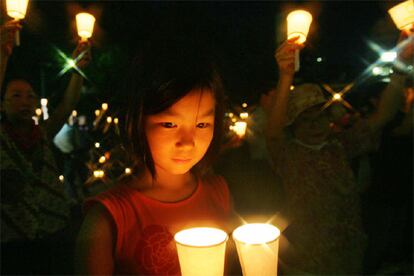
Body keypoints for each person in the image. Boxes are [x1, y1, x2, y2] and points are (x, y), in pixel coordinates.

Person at [75, 41, 235, 275]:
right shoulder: (109, 218)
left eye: (202, 124)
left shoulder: (219, 193)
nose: (188, 141)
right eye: (169, 124)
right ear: (136, 122)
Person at [265, 33, 411, 275]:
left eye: (319, 116)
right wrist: (285, 76)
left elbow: (382, 116)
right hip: (309, 257)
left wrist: (400, 65)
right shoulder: (289, 155)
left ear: (329, 119)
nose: (314, 126)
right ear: (294, 125)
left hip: (349, 252)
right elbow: (272, 136)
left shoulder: (341, 145)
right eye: (305, 120)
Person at [0, 20, 91, 274]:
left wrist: (78, 70)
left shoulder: (41, 134)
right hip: (10, 241)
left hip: (53, 232)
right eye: (16, 96)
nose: (25, 101)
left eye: (30, 96)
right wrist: (2, 54)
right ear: (2, 105)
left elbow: (68, 104)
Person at [214, 83, 285, 223]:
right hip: (258, 162)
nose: (275, 98)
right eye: (271, 95)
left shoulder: (277, 117)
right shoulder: (259, 114)